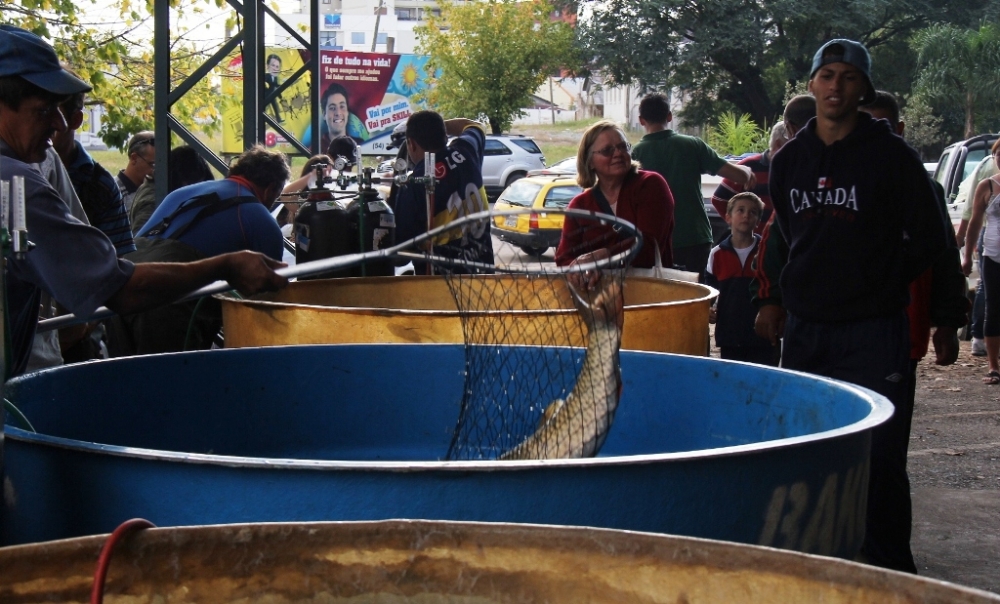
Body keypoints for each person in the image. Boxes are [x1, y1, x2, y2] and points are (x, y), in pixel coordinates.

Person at [0, 25, 287, 375]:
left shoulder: (187, 193)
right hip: (140, 296)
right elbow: (122, 288)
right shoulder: (14, 182)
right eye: (44, 110)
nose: (60, 124)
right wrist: (226, 266)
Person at [769, 40, 951, 573]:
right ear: (811, 84)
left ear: (862, 88)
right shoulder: (789, 161)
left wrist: (878, 278)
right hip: (807, 329)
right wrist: (782, 294)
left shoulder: (893, 158)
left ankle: (891, 569)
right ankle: (813, 562)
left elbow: (931, 236)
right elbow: (788, 232)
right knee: (805, 445)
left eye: (849, 77)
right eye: (827, 75)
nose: (836, 87)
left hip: (873, 330)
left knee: (881, 456)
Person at [110, 144, 288, 355]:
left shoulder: (182, 193)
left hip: (124, 287)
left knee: (124, 380)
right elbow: (270, 299)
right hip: (168, 303)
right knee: (171, 382)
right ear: (271, 189)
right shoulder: (261, 219)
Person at [631, 92, 754, 280]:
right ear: (669, 116)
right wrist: (748, 172)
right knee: (696, 299)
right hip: (695, 237)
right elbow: (735, 174)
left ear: (641, 120)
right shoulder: (691, 145)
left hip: (655, 242)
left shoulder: (635, 154)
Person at [555, 119, 674, 274]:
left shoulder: (650, 185)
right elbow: (564, 258)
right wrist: (579, 272)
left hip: (648, 291)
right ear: (589, 161)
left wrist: (603, 256)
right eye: (607, 150)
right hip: (596, 295)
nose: (618, 153)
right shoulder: (580, 205)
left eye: (623, 147)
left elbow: (648, 247)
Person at [393, 110, 493, 273]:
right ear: (445, 136)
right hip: (483, 279)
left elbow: (400, 257)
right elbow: (474, 126)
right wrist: (438, 127)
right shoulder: (466, 151)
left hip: (439, 288)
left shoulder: (412, 185)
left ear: (411, 144)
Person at [51, 84, 135, 257]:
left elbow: (117, 260)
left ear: (75, 120)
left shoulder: (99, 184)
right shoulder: (14, 167)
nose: (44, 125)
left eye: (52, 113)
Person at [706, 192, 776, 365]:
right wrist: (706, 311)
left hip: (763, 335)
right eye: (741, 210)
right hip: (730, 335)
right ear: (728, 217)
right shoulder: (717, 254)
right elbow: (709, 290)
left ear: (758, 221)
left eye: (753, 212)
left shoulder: (767, 252)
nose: (746, 215)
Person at [961, 138, 1000, 383]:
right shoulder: (987, 186)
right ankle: (993, 366)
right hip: (993, 255)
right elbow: (974, 223)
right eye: (998, 155)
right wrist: (966, 257)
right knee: (994, 309)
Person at [710, 122, 787, 234]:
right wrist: (739, 227)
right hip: (754, 241)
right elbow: (719, 199)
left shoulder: (795, 168)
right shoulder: (749, 166)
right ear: (778, 144)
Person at [129, 144, 216, 234]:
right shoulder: (153, 200)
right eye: (190, 185)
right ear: (175, 178)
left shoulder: (161, 190)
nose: (195, 193)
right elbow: (142, 242)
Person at [115, 130, 156, 212]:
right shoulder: (112, 193)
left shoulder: (157, 191)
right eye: (153, 165)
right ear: (134, 158)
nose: (157, 171)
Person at [319, 82, 368, 151]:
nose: (338, 113)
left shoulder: (361, 145)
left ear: (347, 112)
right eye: (332, 108)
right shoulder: (315, 149)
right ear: (324, 114)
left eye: (342, 106)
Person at [264, 53, 283, 123]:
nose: (275, 68)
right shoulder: (265, 76)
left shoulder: (275, 77)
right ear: (268, 66)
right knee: (263, 110)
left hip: (272, 95)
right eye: (273, 65)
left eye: (277, 66)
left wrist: (280, 96)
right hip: (265, 96)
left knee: (275, 108)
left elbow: (276, 85)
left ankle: (279, 119)